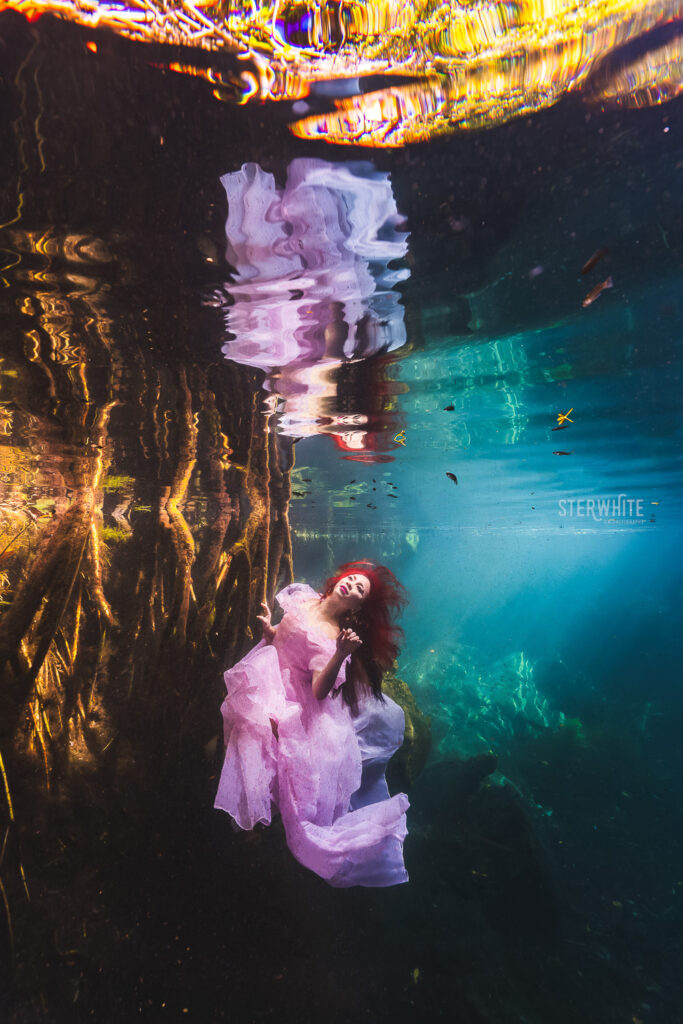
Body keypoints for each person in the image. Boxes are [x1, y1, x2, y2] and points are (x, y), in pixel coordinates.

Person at [214, 560, 410, 887]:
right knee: (246, 740)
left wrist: (340, 654)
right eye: (352, 579)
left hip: (291, 700)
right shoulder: (307, 599)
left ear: (357, 606)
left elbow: (320, 691)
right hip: (270, 672)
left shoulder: (331, 638)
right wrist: (271, 631)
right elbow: (290, 639)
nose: (352, 585)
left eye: (360, 589)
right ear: (339, 579)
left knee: (276, 771)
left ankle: (255, 839)